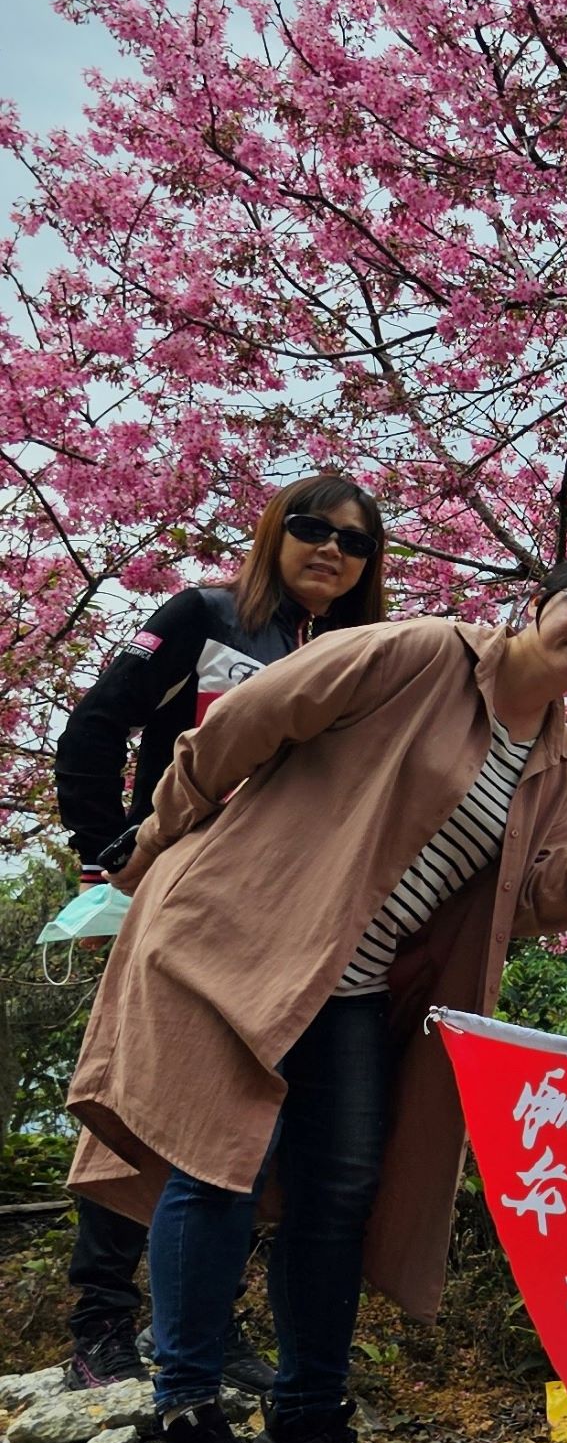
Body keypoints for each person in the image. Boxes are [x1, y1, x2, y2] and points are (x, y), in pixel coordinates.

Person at [67, 550, 567, 1443]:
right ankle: (189, 1409)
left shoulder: (558, 757)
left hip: (354, 988)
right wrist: (160, 845)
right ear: (541, 602)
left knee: (340, 1198)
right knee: (216, 1167)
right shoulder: (421, 653)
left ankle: (308, 1423)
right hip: (242, 942)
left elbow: (522, 900)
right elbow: (244, 722)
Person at [52, 474, 388, 1394]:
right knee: (148, 1101)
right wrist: (108, 850)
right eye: (313, 529)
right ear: (277, 532)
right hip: (177, 893)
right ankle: (101, 1325)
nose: (331, 550)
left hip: (281, 917)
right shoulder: (205, 615)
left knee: (237, 1125)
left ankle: (200, 1319)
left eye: (354, 541)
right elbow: (96, 725)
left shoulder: (363, 655)